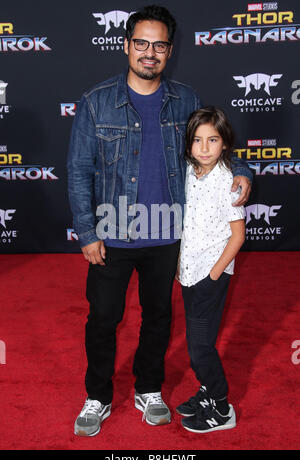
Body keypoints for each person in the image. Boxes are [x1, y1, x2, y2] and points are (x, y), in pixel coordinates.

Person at [67, 5, 252, 437]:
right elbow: (78, 171)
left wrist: (240, 170)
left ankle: (148, 387)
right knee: (103, 317)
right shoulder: (96, 102)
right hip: (112, 231)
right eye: (142, 43)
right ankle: (97, 395)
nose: (150, 52)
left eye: (160, 45)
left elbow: (216, 143)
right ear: (127, 45)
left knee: (157, 317)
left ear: (169, 51)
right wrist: (87, 231)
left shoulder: (185, 99)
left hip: (169, 232)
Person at [176, 107, 246, 433]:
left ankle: (221, 407)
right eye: (197, 140)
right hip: (188, 272)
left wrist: (215, 273)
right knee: (198, 341)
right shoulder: (190, 172)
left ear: (224, 142)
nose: (204, 148)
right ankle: (206, 392)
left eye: (213, 140)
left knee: (199, 348)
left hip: (209, 275)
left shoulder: (227, 182)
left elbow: (238, 235)